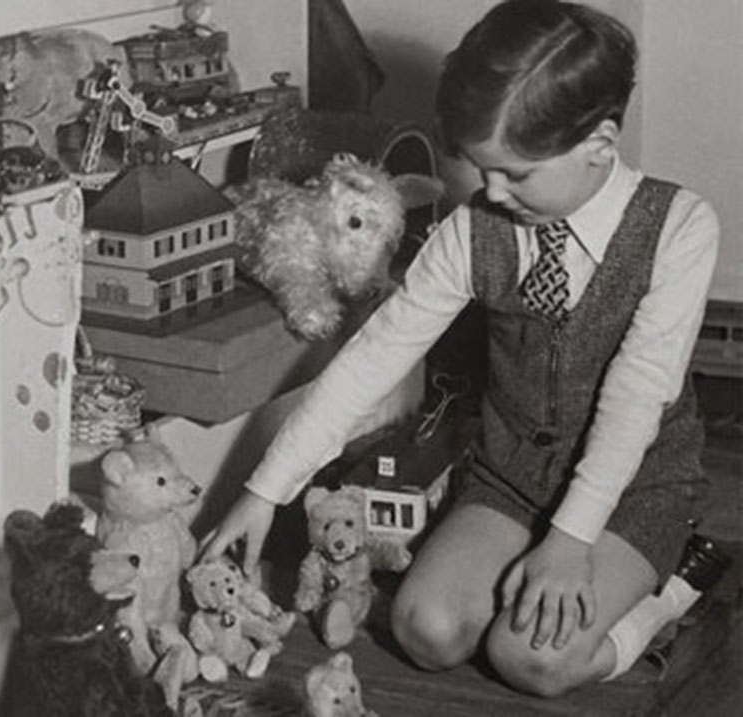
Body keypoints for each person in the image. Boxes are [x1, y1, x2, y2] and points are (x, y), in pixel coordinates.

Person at [199, 0, 726, 697]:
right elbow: (374, 356)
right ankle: (557, 581)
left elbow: (636, 392)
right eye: (482, 170)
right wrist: (267, 486)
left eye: (517, 173)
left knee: (533, 659)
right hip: (512, 474)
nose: (492, 192)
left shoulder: (679, 226)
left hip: (635, 483)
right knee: (427, 629)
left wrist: (570, 541)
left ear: (601, 142)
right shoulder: (473, 231)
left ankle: (670, 597)